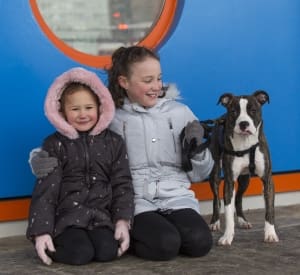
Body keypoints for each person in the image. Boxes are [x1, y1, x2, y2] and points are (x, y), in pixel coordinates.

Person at [30, 46, 214, 261]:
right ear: (124, 82)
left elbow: (201, 173)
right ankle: (133, 238)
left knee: (200, 243)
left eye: (159, 78)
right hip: (137, 201)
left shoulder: (179, 113)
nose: (156, 86)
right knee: (165, 246)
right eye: (147, 80)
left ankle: (155, 232)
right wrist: (36, 158)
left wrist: (198, 147)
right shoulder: (111, 118)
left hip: (176, 197)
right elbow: (75, 141)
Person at [26, 67, 134, 266]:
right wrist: (41, 231)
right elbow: (46, 191)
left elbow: (122, 184)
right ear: (62, 112)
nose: (83, 114)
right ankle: (57, 244)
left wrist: (122, 220)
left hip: (101, 218)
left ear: (100, 107)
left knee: (107, 251)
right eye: (75, 109)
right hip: (67, 220)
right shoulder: (55, 144)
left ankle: (97, 238)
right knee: (80, 254)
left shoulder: (113, 142)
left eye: (89, 107)